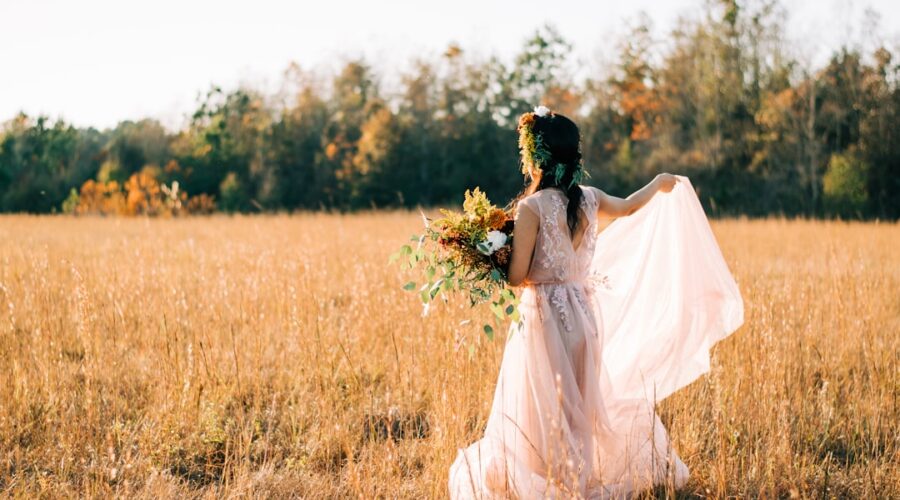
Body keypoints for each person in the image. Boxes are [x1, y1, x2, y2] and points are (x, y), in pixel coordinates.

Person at [448, 106, 744, 498]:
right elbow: (630, 206)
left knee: (544, 404)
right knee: (580, 404)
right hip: (583, 313)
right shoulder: (590, 199)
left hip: (544, 317)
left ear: (535, 157)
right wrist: (657, 182)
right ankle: (577, 477)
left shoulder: (531, 208)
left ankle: (552, 480)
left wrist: (491, 254)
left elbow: (518, 278)